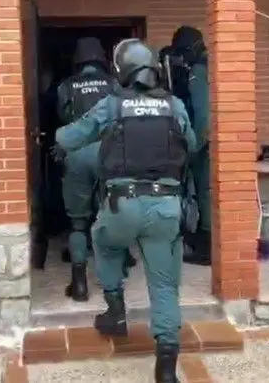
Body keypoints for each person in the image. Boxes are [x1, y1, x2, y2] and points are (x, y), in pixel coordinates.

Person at [53, 39, 197, 383]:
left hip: (122, 205)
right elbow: (190, 145)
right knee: (164, 284)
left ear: (122, 71)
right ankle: (166, 366)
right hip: (166, 207)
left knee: (103, 241)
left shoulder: (112, 105)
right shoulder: (174, 105)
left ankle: (115, 311)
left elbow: (68, 138)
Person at [54, 37, 118, 301]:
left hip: (77, 153)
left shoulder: (66, 86)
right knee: (112, 216)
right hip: (109, 154)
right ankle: (115, 280)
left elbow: (62, 117)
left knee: (77, 223)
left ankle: (79, 285)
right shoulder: (114, 84)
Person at [170, 26, 211, 266]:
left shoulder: (198, 70)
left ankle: (207, 249)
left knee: (206, 194)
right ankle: (206, 241)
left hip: (206, 145)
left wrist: (193, 149)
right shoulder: (211, 65)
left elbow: (203, 116)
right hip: (220, 142)